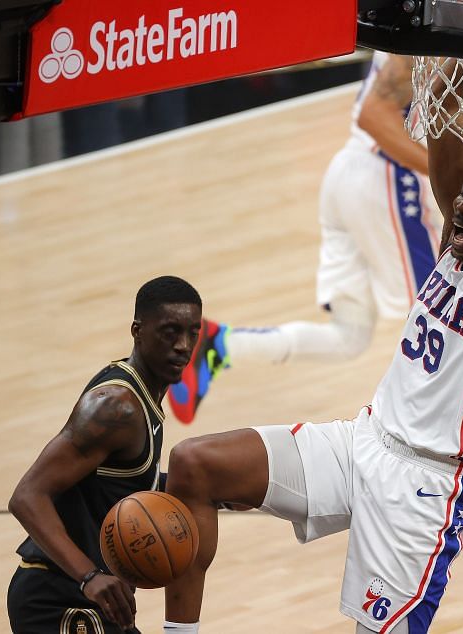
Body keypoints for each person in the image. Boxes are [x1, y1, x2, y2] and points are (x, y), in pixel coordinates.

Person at [161, 61, 463, 634]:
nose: (460, 206)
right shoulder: (460, 247)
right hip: (362, 441)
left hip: (424, 491)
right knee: (192, 466)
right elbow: (451, 111)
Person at [168, 52, 442, 423]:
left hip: (348, 174)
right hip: (384, 178)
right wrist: (450, 173)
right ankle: (423, 427)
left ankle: (217, 345)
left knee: (349, 336)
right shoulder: (429, 27)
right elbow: (374, 116)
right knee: (440, 308)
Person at [7, 276, 203, 634]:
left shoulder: (144, 398)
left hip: (94, 600)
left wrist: (209, 489)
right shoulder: (116, 408)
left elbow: (119, 483)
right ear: (137, 331)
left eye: (193, 332)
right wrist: (89, 577)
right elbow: (27, 496)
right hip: (60, 598)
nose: (183, 346)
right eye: (170, 332)